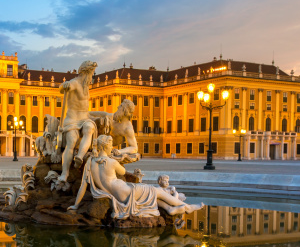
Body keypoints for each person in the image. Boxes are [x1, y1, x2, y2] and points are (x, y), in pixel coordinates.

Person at [70, 135, 203, 219]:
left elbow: (83, 186)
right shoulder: (111, 162)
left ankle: (170, 209)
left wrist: (76, 205)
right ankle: (186, 206)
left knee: (151, 196)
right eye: (111, 145)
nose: (112, 147)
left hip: (118, 194)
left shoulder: (90, 162)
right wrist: (118, 156)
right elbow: (122, 172)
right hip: (127, 192)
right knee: (158, 191)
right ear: (105, 146)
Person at [55, 60, 99, 188]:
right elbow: (61, 88)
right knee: (72, 141)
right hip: (72, 119)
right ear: (86, 72)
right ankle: (65, 173)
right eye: (91, 73)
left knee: (90, 128)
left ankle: (79, 156)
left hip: (84, 118)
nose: (92, 76)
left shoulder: (86, 86)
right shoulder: (74, 83)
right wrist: (64, 85)